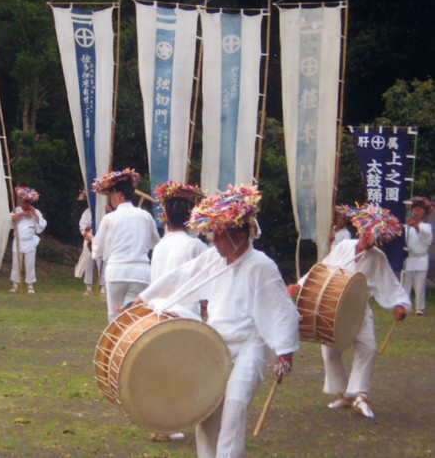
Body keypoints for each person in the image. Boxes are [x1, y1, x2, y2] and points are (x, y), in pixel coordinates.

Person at [135, 185, 299, 458]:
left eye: (220, 236)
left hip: (249, 347)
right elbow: (182, 276)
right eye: (213, 235)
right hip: (215, 344)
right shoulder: (214, 258)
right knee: (206, 411)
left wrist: (285, 352)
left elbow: (282, 310)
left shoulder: (262, 266)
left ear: (242, 234)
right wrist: (145, 297)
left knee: (234, 409)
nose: (215, 241)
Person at [297, 203, 411, 418]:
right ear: (361, 230)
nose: (370, 240)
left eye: (375, 238)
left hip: (359, 308)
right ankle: (344, 394)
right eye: (367, 234)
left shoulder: (377, 256)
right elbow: (323, 267)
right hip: (333, 307)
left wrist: (400, 305)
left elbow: (389, 282)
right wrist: (300, 285)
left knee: (367, 347)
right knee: (330, 351)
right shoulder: (344, 247)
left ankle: (359, 394)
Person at [148, 180, 206, 444]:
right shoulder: (195, 246)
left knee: (165, 371)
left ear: (166, 217)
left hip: (160, 314)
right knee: (186, 373)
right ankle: (176, 420)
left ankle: (164, 424)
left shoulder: (160, 246)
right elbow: (205, 283)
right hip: (186, 316)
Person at [84, 168, 160, 322]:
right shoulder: (145, 216)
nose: (110, 199)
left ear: (119, 195)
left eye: (111, 194)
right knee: (135, 318)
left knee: (115, 318)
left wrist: (90, 238)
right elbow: (155, 244)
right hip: (141, 273)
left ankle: (116, 346)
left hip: (117, 272)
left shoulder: (110, 218)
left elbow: (97, 249)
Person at [9, 186, 47, 294]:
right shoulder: (17, 210)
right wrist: (22, 214)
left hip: (29, 241)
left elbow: (42, 224)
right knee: (16, 264)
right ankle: (15, 285)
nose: (23, 205)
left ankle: (30, 285)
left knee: (30, 264)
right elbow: (11, 219)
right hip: (18, 241)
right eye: (22, 203)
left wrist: (33, 214)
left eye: (26, 203)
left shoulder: (35, 212)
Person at [402, 196, 433, 316]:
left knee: (419, 285)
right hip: (409, 258)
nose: (417, 211)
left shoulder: (426, 227)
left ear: (423, 214)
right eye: (415, 209)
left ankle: (419, 308)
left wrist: (415, 226)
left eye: (420, 210)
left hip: (421, 258)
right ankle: (405, 306)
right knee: (406, 284)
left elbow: (427, 238)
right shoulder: (406, 227)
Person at [75, 190, 102, 296]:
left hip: (100, 240)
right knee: (88, 264)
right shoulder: (87, 212)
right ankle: (88, 287)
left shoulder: (103, 211)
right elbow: (82, 226)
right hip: (88, 240)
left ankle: (103, 287)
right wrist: (86, 231)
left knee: (101, 263)